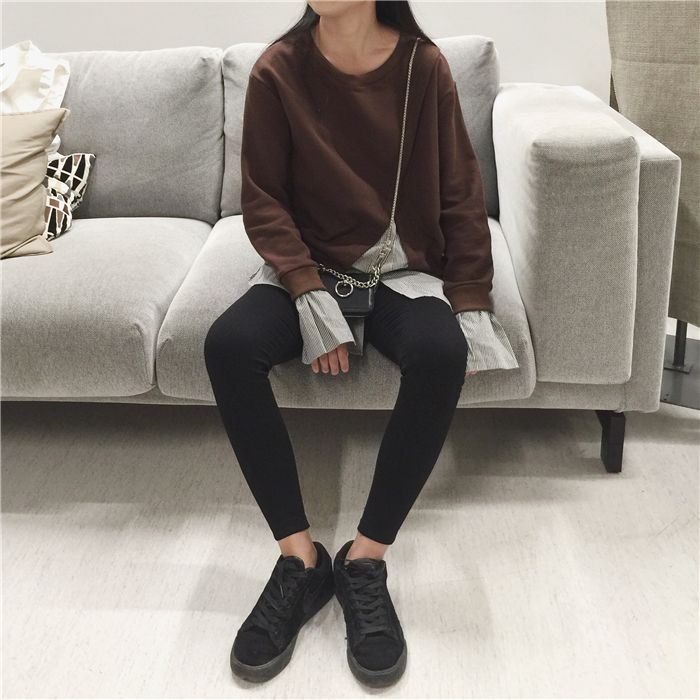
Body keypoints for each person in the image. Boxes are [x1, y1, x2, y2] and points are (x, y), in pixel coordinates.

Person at [203, 0, 519, 688]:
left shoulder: (423, 67)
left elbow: (461, 192)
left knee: (442, 352)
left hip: (399, 269)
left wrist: (470, 299)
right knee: (227, 345)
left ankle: (364, 561)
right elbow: (263, 199)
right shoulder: (277, 70)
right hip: (308, 269)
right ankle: (301, 561)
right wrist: (305, 288)